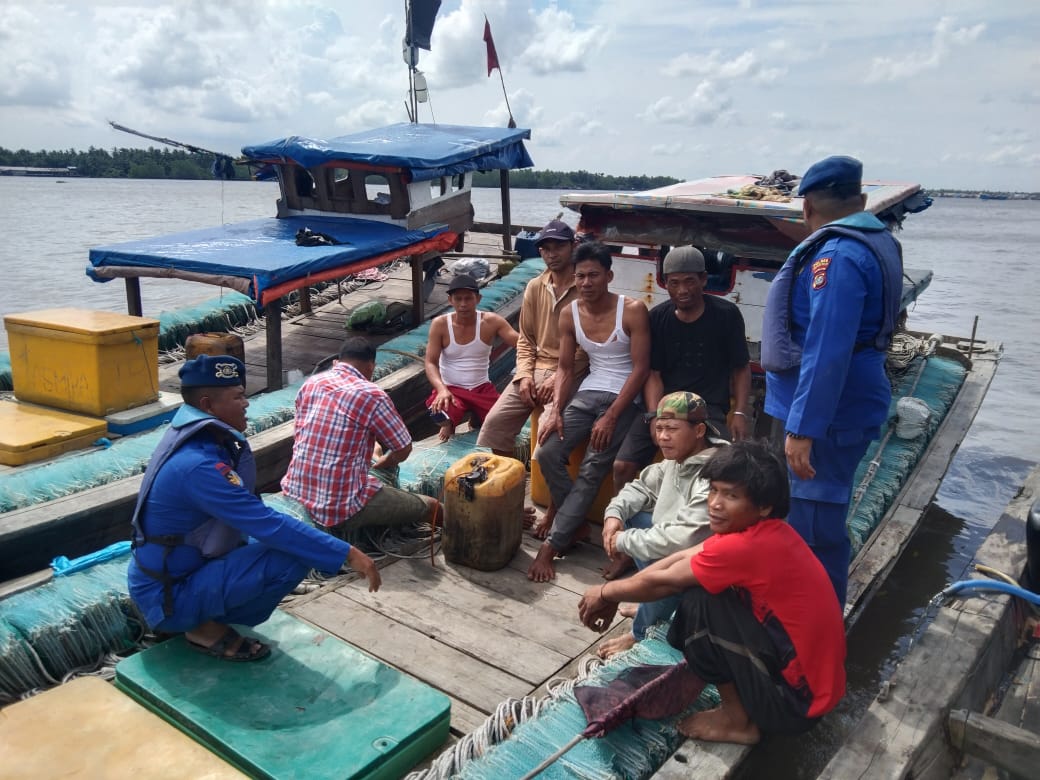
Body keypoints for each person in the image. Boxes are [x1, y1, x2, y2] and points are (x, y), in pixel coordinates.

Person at [578, 440, 846, 745]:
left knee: (698, 605)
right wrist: (610, 593)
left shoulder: (747, 547)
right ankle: (741, 703)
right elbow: (680, 559)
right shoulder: (767, 531)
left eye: (731, 495)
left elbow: (668, 581)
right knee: (699, 590)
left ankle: (736, 719)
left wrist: (605, 593)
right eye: (714, 490)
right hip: (809, 692)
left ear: (764, 506)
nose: (716, 503)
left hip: (794, 705)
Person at [128, 355, 380, 662]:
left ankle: (203, 613)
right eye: (238, 397)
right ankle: (201, 627)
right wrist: (348, 554)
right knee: (292, 555)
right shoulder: (197, 466)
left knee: (292, 541)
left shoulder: (200, 440)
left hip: (180, 574)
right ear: (208, 406)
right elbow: (265, 523)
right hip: (168, 598)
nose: (247, 403)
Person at [761, 155, 904, 607]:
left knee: (814, 526)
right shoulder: (878, 241)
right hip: (848, 397)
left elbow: (828, 348)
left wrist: (804, 428)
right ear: (861, 200)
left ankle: (811, 634)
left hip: (831, 411)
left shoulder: (836, 257)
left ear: (806, 209)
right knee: (809, 517)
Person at [529, 240, 651, 582]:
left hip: (624, 398)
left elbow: (641, 368)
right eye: (580, 276)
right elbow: (566, 369)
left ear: (609, 276)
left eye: (593, 275)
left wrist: (612, 415)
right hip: (588, 392)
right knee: (548, 451)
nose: (585, 283)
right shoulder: (569, 314)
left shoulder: (632, 310)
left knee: (593, 468)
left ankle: (551, 547)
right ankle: (576, 522)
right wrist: (554, 410)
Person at [476, 218, 589, 534]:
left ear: (573, 247)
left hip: (575, 370)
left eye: (558, 247)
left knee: (551, 441)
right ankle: (514, 499)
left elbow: (589, 347)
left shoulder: (586, 288)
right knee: (496, 425)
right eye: (546, 248)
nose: (552, 254)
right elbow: (525, 340)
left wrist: (558, 379)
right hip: (536, 365)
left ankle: (554, 513)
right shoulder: (535, 286)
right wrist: (524, 375)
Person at [613, 245, 750, 489]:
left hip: (708, 409)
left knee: (723, 471)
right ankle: (621, 520)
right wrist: (655, 415)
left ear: (703, 280)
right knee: (621, 467)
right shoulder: (657, 317)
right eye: (674, 283)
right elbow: (653, 373)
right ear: (665, 284)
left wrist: (739, 412)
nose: (683, 290)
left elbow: (741, 368)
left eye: (690, 281)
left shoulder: (726, 315)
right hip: (665, 405)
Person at [596, 392, 720, 659]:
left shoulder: (715, 473)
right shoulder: (676, 460)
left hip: (707, 572)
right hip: (680, 549)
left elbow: (681, 540)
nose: (663, 436)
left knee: (664, 556)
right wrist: (613, 516)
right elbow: (640, 487)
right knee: (630, 515)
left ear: (699, 430)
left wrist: (621, 541)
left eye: (672, 429)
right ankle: (647, 604)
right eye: (659, 428)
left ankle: (640, 633)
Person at [281, 338, 442, 538]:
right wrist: (387, 461)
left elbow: (305, 431)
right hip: (339, 507)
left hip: (294, 489)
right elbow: (403, 448)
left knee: (375, 449)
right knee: (432, 507)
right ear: (371, 366)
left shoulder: (312, 383)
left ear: (337, 363)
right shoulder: (372, 394)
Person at [424, 273, 518, 442]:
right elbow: (430, 362)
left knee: (504, 421)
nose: (463, 304)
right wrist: (441, 389)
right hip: (451, 388)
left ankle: (476, 417)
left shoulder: (491, 321)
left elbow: (521, 344)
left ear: (478, 299)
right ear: (450, 300)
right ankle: (449, 423)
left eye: (468, 299)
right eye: (458, 299)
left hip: (481, 387)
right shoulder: (440, 324)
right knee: (439, 410)